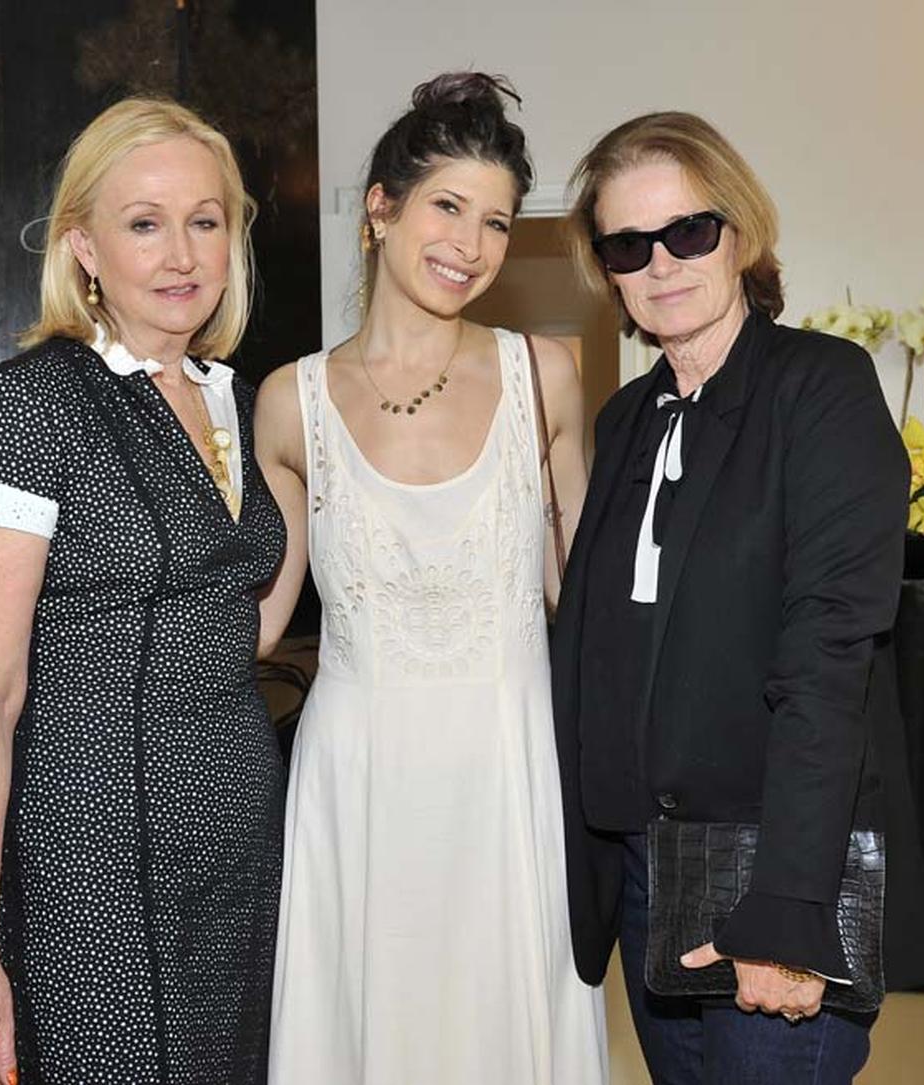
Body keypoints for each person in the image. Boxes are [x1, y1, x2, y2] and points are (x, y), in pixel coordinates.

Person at [552, 111, 924, 1085]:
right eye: (630, 244)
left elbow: (830, 661)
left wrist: (787, 908)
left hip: (773, 869)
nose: (664, 263)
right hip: (645, 871)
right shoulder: (627, 418)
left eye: (690, 230)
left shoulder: (819, 386)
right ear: (606, 269)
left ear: (741, 231)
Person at [254, 72, 607, 1084]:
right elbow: (264, 618)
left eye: (496, 221)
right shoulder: (292, 402)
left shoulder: (545, 376)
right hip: (359, 781)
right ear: (380, 208)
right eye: (448, 206)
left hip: (510, 775)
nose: (472, 243)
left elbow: (581, 598)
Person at [0, 97, 285, 1085]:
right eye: (144, 222)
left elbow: (245, 624)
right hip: (96, 867)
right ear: (83, 244)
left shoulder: (246, 406)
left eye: (205, 220)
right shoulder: (24, 407)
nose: (182, 253)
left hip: (246, 853)